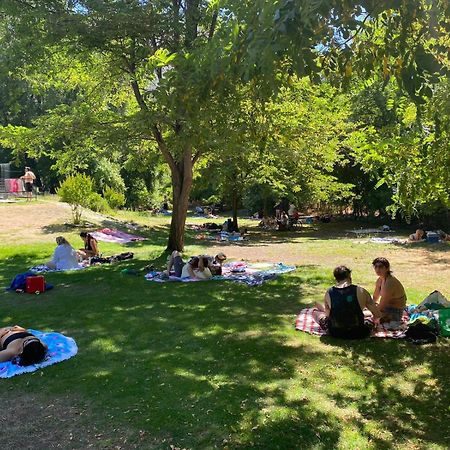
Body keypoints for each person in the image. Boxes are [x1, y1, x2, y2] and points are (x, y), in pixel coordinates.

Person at [313, 265, 381, 339]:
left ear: (336, 278)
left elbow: (328, 315)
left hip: (335, 332)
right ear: (349, 276)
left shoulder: (329, 292)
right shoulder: (361, 291)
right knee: (371, 319)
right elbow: (377, 314)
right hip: (359, 332)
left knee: (315, 313)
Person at [372, 257, 407, 323]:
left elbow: (382, 306)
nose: (377, 269)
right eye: (375, 267)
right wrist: (370, 305)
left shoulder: (390, 283)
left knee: (368, 317)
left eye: (380, 267)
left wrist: (372, 311)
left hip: (395, 312)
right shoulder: (380, 279)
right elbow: (375, 297)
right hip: (386, 308)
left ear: (387, 268)